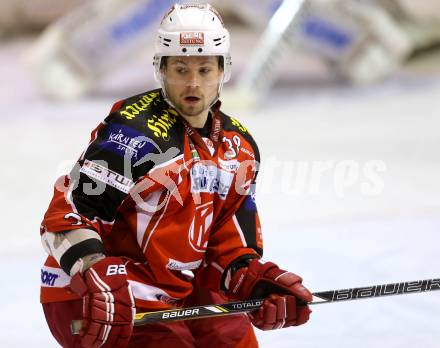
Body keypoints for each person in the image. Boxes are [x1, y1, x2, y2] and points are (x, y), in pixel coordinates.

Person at [40, 4, 312, 348]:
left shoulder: (238, 148)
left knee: (234, 338)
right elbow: (63, 219)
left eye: (205, 69)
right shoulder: (133, 136)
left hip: (176, 293)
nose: (193, 83)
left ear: (224, 70)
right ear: (160, 70)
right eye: (181, 69)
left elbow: (227, 245)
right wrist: (94, 269)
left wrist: (254, 281)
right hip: (97, 298)